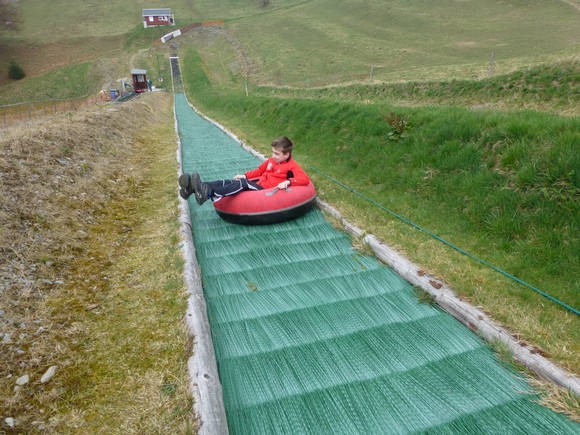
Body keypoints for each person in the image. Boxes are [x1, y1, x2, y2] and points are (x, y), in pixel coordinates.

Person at [179, 136, 311, 205]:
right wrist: (244, 175)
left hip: (264, 192)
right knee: (227, 182)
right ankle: (192, 188)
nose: (273, 156)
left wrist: (288, 181)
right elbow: (259, 171)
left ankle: (207, 194)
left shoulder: (291, 166)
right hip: (258, 184)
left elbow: (304, 179)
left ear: (286, 155)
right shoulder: (271, 161)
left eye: (277, 154)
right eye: (273, 152)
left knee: (243, 183)